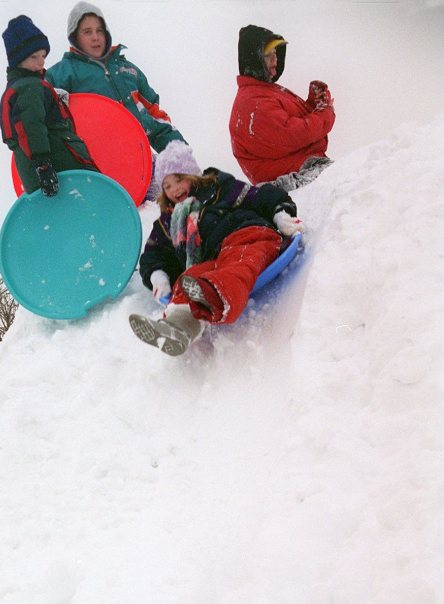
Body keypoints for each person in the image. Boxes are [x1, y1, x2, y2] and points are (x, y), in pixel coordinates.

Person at [129, 141, 303, 357]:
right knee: (190, 276)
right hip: (215, 259)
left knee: (238, 263)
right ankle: (178, 327)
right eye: (167, 186)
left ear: (192, 174)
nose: (175, 189)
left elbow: (261, 196)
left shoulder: (220, 188)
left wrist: (281, 214)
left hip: (249, 235)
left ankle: (214, 295)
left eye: (179, 180)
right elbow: (155, 254)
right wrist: (158, 276)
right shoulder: (169, 221)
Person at [45, 2, 187, 154]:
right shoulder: (63, 73)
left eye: (99, 30)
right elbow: (39, 113)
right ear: (75, 37)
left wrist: (181, 155)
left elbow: (155, 118)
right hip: (96, 164)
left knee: (177, 173)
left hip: (139, 161)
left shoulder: (128, 70)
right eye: (87, 32)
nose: (95, 37)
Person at [0, 15, 97, 197]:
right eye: (34, 56)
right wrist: (43, 166)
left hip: (43, 172)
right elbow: (31, 127)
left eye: (43, 55)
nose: (41, 62)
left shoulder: (18, 89)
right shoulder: (29, 87)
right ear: (17, 61)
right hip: (62, 168)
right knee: (90, 203)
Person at [228, 25, 335, 191]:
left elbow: (284, 131)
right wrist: (325, 114)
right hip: (291, 180)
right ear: (254, 59)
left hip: (303, 169)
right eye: (268, 55)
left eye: (276, 54)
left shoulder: (263, 91)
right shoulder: (254, 102)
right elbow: (292, 134)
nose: (275, 60)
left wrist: (314, 104)